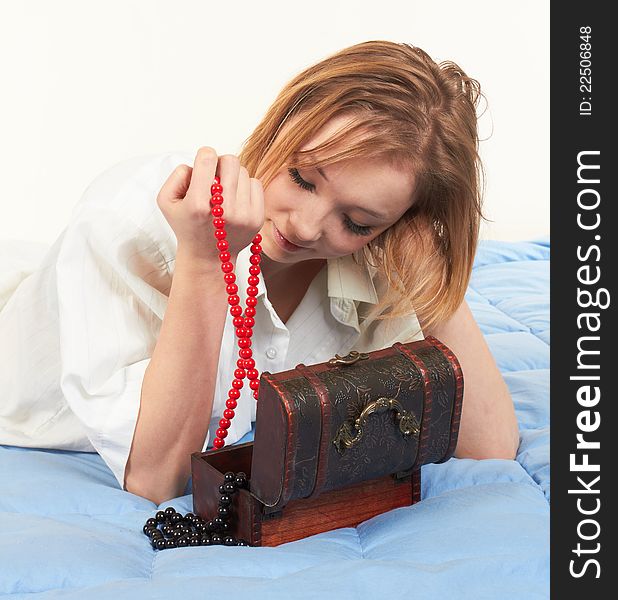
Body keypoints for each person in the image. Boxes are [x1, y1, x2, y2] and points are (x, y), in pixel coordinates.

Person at [0, 40, 519, 504]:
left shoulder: (375, 256)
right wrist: (205, 260)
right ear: (282, 122)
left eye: (356, 221)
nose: (308, 227)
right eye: (301, 178)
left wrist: (432, 270)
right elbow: (154, 481)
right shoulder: (126, 220)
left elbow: (488, 446)